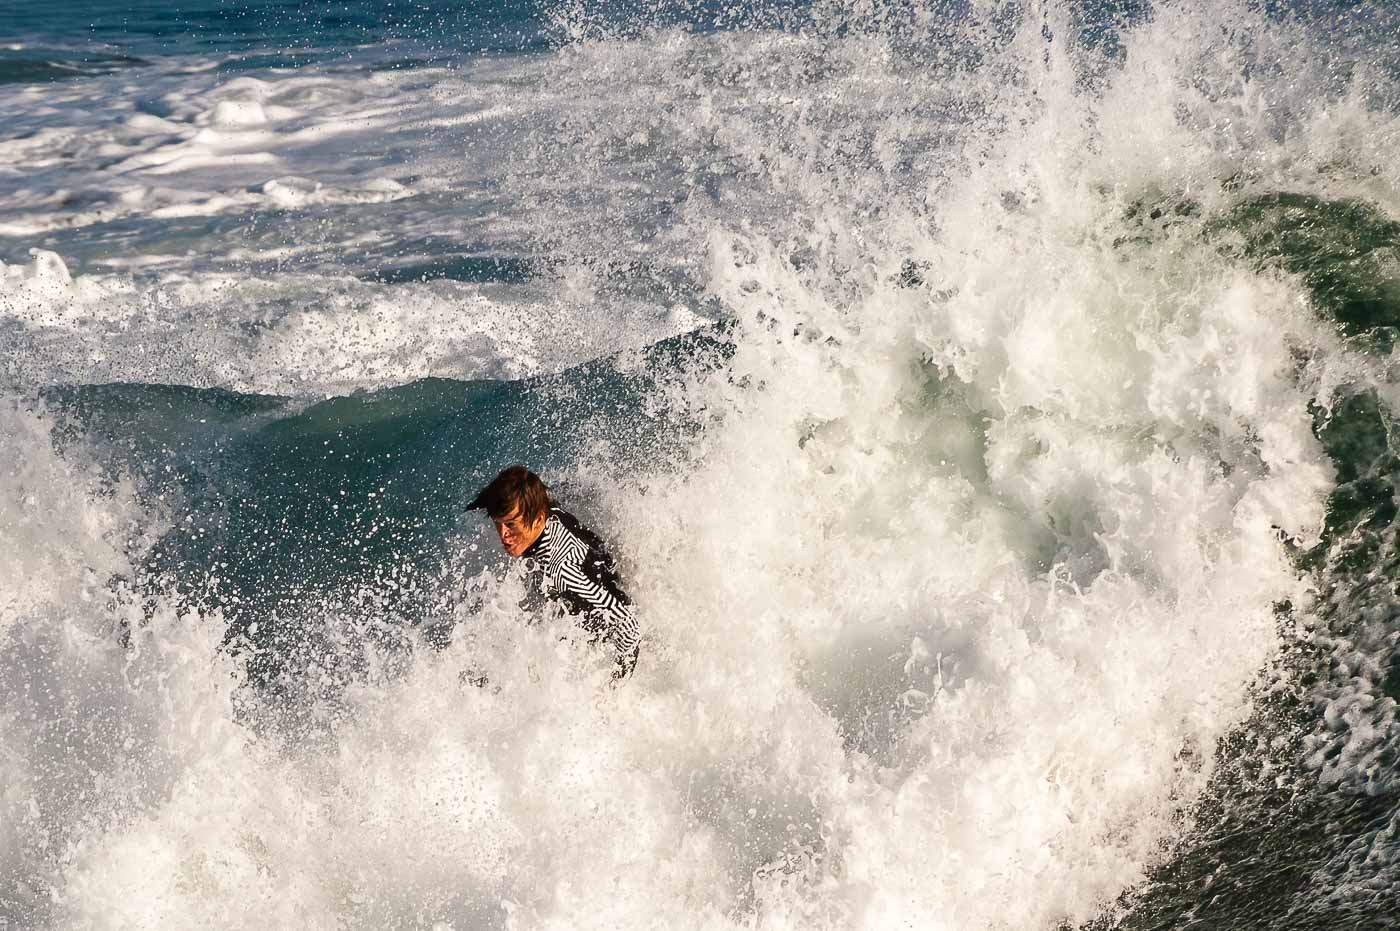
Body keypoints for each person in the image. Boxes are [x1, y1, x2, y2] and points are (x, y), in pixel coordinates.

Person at [468, 465, 640, 679]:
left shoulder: (561, 570)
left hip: (601, 616)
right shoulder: (547, 510)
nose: (503, 535)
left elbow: (630, 627)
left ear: (539, 519)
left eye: (511, 525)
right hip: (598, 568)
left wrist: (616, 688)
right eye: (498, 524)